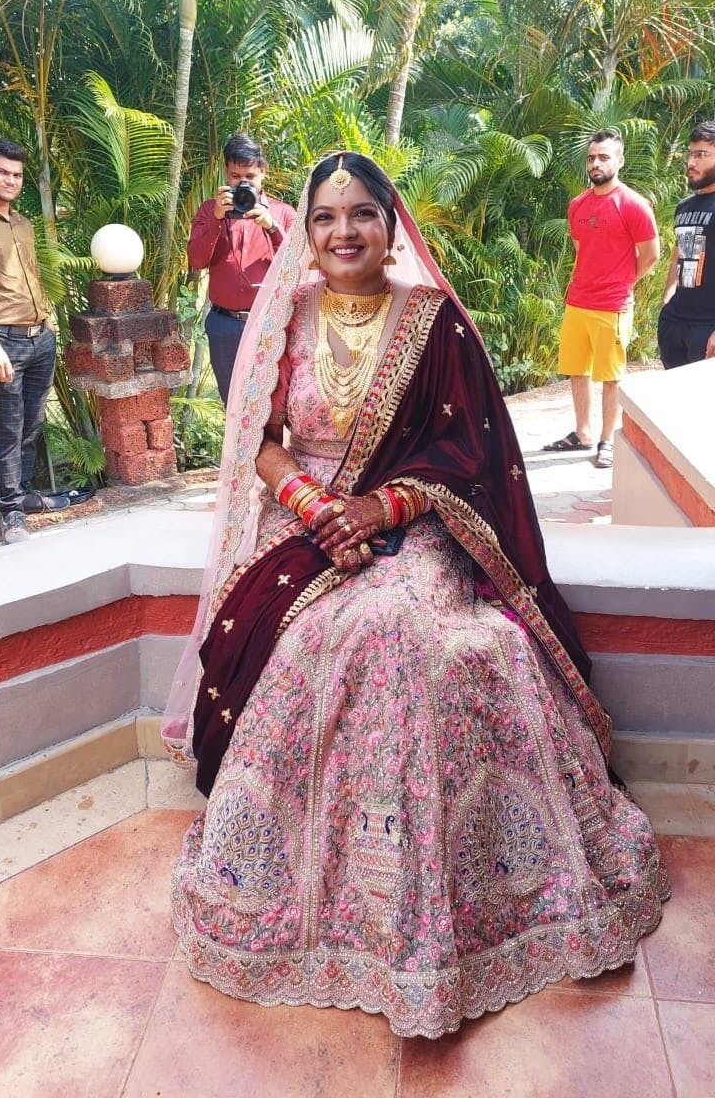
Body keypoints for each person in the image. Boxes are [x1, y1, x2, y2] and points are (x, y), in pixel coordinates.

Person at [163, 152, 667, 1039]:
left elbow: (473, 456)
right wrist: (317, 507)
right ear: (305, 232)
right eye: (325, 217)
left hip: (418, 520)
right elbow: (262, 443)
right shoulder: (286, 316)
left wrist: (381, 507)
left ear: (391, 226)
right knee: (319, 636)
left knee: (395, 626)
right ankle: (315, 886)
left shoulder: (434, 323)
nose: (344, 231)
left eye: (362, 213)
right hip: (307, 522)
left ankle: (429, 903)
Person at [544, 130, 659, 468]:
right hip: (578, 301)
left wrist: (624, 281)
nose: (596, 163)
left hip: (613, 305)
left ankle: (607, 439)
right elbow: (582, 250)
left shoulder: (633, 204)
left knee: (611, 376)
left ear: (619, 161)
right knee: (577, 370)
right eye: (592, 157)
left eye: (604, 157)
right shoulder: (577, 205)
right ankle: (582, 433)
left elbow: (651, 254)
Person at [0, 137, 68, 546]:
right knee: (8, 428)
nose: (11, 180)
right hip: (3, 341)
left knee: (32, 424)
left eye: (17, 174)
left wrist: (50, 322)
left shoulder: (22, 224)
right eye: (3, 172)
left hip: (40, 337)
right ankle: (11, 515)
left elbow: (33, 277)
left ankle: (20, 495)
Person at [187, 133, 297, 403]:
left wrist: (272, 228)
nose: (242, 183)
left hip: (270, 323)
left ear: (263, 172)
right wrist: (216, 219)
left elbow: (297, 266)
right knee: (233, 403)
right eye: (235, 176)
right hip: (223, 325)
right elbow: (196, 261)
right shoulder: (209, 211)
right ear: (226, 173)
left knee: (274, 402)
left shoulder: (283, 214)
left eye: (250, 176)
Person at [658, 120, 715, 367]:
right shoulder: (684, 207)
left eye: (701, 154)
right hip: (676, 323)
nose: (691, 162)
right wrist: (668, 295)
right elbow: (680, 252)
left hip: (709, 325)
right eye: (690, 154)